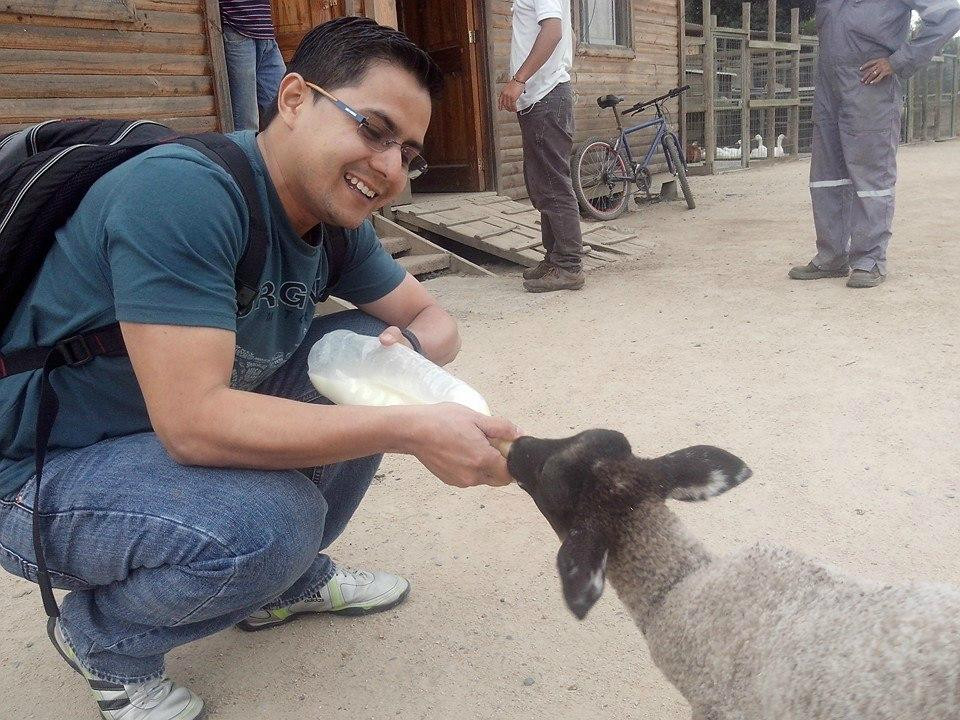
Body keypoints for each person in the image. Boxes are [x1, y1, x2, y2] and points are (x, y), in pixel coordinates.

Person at [0, 17, 518, 720]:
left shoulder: (333, 226)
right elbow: (194, 424)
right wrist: (412, 426)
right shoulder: (184, 193)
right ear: (295, 98)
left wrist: (407, 366)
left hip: (151, 440)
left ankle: (282, 587)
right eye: (374, 129)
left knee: (366, 345)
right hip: (38, 473)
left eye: (408, 154)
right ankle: (105, 643)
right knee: (270, 522)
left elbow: (435, 321)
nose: (391, 168)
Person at [789, 0, 960, 288]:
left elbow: (950, 15)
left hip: (869, 86)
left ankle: (870, 260)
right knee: (826, 179)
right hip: (828, 88)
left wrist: (899, 61)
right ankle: (831, 255)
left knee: (872, 179)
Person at [498, 0, 585, 293]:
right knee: (542, 183)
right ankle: (555, 258)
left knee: (553, 183)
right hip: (541, 97)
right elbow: (566, 33)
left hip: (545, 96)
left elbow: (553, 31)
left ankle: (569, 266)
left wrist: (519, 79)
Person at [219, 0, 286, 130]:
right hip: (237, 26)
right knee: (247, 117)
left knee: (283, 105)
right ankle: (246, 144)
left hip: (265, 30)